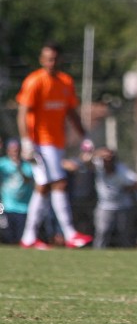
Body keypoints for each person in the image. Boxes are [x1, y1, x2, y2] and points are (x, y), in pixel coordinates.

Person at [16, 42, 93, 250]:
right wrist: (26, 141)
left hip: (57, 142)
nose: (51, 62)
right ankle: (70, 233)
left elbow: (71, 112)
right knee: (59, 183)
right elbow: (22, 113)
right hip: (39, 142)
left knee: (43, 187)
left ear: (60, 59)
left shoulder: (65, 82)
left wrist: (85, 137)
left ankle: (29, 237)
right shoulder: (34, 81)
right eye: (47, 59)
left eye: (54, 59)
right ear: (42, 60)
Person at [92, 147, 137, 249]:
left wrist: (126, 188)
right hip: (104, 206)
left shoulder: (122, 170)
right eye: (105, 159)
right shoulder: (99, 166)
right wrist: (98, 153)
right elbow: (85, 161)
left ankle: (127, 252)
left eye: (110, 158)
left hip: (123, 206)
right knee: (102, 231)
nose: (107, 161)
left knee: (125, 232)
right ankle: (98, 252)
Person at [0, 139, 35, 244]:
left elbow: (28, 179)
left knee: (20, 238)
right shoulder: (3, 164)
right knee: (8, 239)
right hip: (7, 207)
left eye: (16, 150)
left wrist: (19, 167)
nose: (14, 153)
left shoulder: (26, 165)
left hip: (23, 208)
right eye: (12, 150)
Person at [62, 138, 98, 236]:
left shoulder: (94, 165)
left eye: (89, 151)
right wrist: (80, 164)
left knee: (89, 226)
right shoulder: (75, 162)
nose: (87, 154)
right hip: (75, 201)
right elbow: (64, 164)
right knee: (75, 225)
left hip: (89, 201)